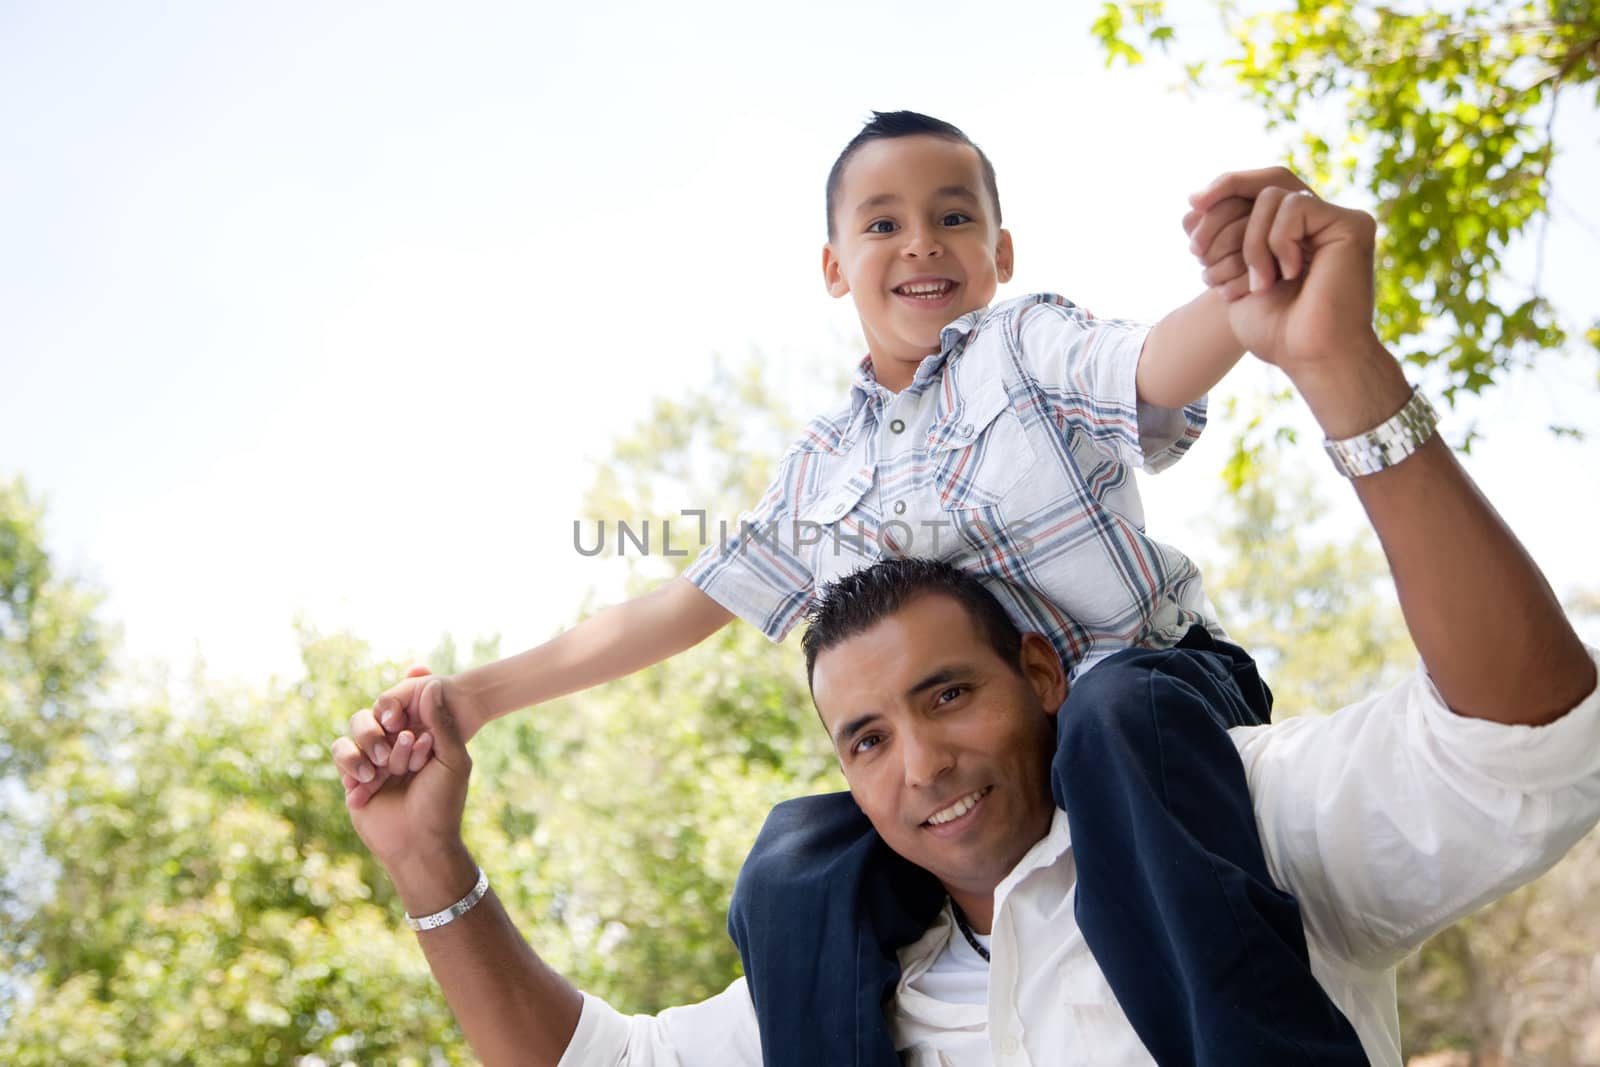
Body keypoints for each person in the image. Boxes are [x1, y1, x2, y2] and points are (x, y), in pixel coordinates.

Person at [335, 172, 1600, 1066]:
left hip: (1157, 707)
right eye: (880, 221)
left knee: (1117, 718)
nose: (920, 240)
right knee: (791, 857)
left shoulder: (1024, 352)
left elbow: (1151, 362)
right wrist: (470, 704)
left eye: (953, 215)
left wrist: (1269, 312)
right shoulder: (822, 468)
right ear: (834, 267)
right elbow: (678, 603)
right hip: (1058, 730)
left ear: (998, 251)